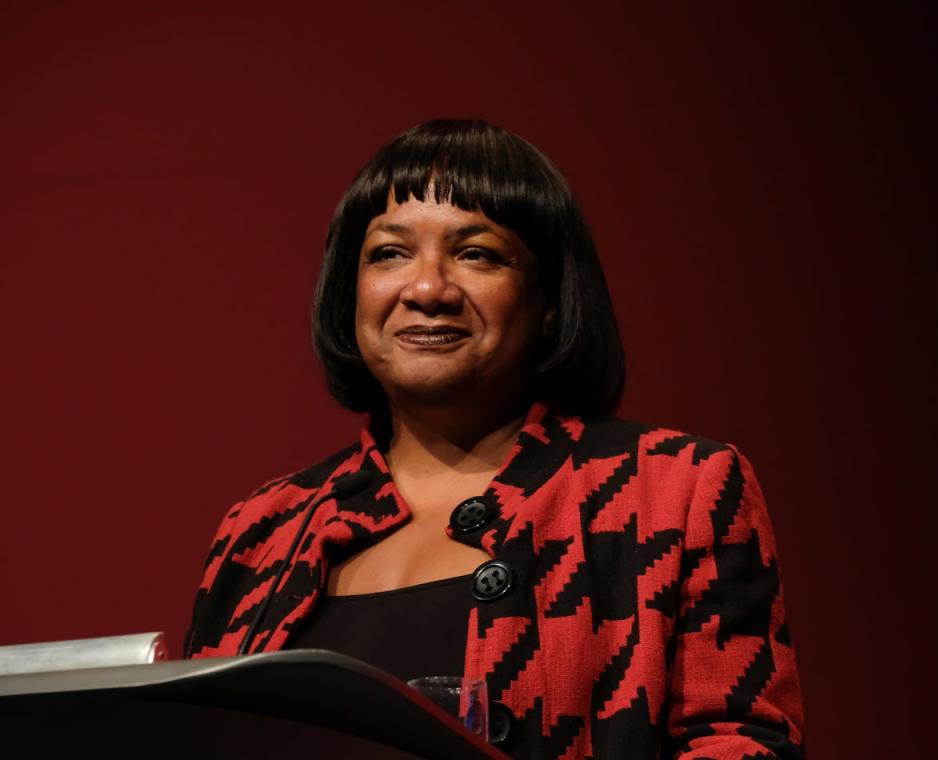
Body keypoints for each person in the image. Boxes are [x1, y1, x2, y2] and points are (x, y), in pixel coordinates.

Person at [184, 119, 805, 759]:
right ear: (351, 294)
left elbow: (741, 745)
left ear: (549, 302)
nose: (427, 289)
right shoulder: (260, 532)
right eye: (389, 254)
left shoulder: (678, 488)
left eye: (476, 253)